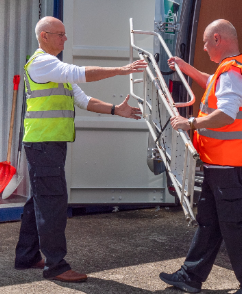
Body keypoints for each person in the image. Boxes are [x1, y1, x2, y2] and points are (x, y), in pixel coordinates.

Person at [14, 16, 147, 283]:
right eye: (60, 34)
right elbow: (81, 73)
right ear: (44, 37)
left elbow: (83, 99)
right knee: (52, 203)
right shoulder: (43, 63)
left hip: (47, 145)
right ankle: (56, 266)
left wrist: (114, 110)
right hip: (43, 145)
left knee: (40, 199)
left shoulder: (54, 68)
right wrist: (123, 70)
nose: (65, 39)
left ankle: (27, 255)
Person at [159, 19, 242, 294]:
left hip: (228, 163)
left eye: (207, 44)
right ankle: (190, 276)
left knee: (232, 224)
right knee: (210, 220)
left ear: (218, 39)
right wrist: (187, 69)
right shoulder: (232, 69)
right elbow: (214, 87)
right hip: (219, 162)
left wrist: (191, 123)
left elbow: (227, 113)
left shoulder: (232, 72)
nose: (206, 49)